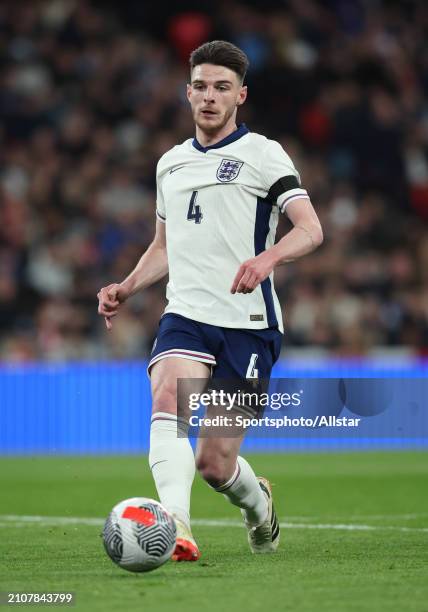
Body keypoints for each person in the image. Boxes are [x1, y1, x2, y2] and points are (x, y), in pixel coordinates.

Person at [97, 40, 323, 561]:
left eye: (222, 87)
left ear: (240, 95)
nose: (209, 97)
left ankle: (258, 505)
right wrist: (127, 288)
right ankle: (174, 526)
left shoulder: (264, 154)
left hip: (248, 323)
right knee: (166, 400)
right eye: (200, 86)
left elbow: (310, 229)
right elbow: (164, 246)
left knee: (215, 464)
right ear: (188, 93)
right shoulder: (170, 164)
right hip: (186, 315)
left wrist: (266, 261)